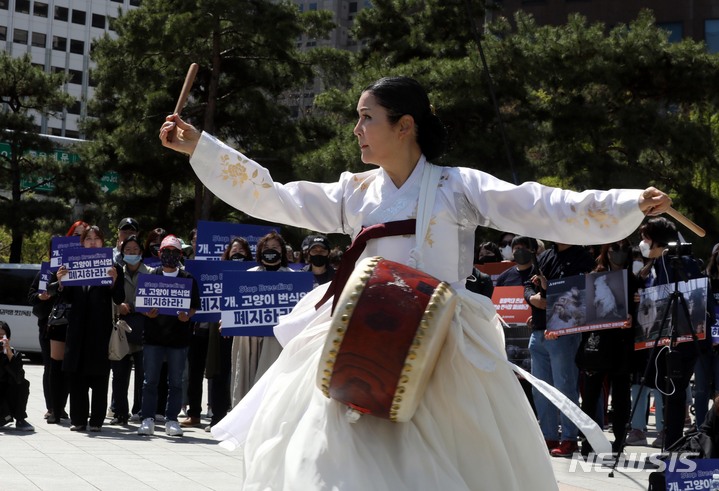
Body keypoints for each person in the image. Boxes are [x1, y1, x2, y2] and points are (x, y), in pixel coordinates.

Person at [160, 75, 671, 490]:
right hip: (359, 341)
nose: (356, 129)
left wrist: (628, 203)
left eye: (366, 118)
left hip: (442, 345)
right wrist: (201, 147)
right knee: (328, 457)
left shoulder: (458, 186)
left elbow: (539, 205)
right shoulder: (354, 192)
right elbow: (274, 194)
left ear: (405, 126)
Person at [526, 242, 596, 457]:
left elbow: (580, 290)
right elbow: (527, 285)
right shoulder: (545, 255)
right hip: (538, 331)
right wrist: (532, 298)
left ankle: (569, 438)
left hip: (564, 331)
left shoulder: (582, 256)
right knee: (540, 389)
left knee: (565, 386)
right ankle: (548, 435)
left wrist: (550, 290)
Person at [54, 225, 125, 432]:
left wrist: (113, 281)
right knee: (76, 377)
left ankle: (96, 421)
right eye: (88, 239)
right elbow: (66, 299)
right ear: (82, 243)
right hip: (76, 330)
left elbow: (119, 298)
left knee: (100, 378)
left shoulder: (113, 267)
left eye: (96, 238)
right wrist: (61, 282)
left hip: (100, 331)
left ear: (103, 242)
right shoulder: (72, 265)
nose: (92, 242)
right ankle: (78, 420)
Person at [575, 239, 640, 454]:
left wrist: (634, 311)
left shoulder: (633, 279)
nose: (618, 253)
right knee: (591, 397)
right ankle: (587, 442)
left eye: (623, 249)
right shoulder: (594, 276)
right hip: (597, 345)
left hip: (621, 346)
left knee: (621, 397)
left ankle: (619, 441)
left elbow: (641, 313)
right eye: (614, 249)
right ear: (606, 251)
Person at [137, 235, 201, 437]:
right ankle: (147, 418)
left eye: (174, 252)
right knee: (150, 381)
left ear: (180, 255)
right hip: (154, 338)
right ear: (159, 253)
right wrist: (147, 312)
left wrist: (187, 316)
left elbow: (194, 307)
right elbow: (142, 305)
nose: (170, 256)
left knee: (175, 382)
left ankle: (171, 420)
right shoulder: (151, 276)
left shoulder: (188, 279)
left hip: (178, 339)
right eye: (166, 251)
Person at [229, 231, 293, 405]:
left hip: (275, 339)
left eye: (275, 247)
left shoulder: (292, 277)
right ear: (259, 251)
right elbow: (233, 304)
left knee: (269, 383)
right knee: (245, 381)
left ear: (282, 251)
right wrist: (226, 321)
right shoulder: (248, 275)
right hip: (247, 338)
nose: (270, 250)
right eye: (266, 247)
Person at [109, 235, 150, 425]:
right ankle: (120, 412)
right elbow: (108, 298)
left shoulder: (151, 272)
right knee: (119, 374)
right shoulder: (116, 272)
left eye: (135, 250)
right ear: (122, 252)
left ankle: (141, 412)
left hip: (144, 328)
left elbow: (154, 298)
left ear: (141, 252)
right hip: (121, 330)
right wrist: (119, 307)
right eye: (128, 250)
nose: (131, 253)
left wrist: (131, 306)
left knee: (144, 375)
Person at [0, 321, 35, 431]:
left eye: (2, 337)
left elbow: (19, 378)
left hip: (7, 395)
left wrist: (9, 355)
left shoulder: (14, 354)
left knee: (23, 384)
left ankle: (20, 419)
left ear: (8, 339)